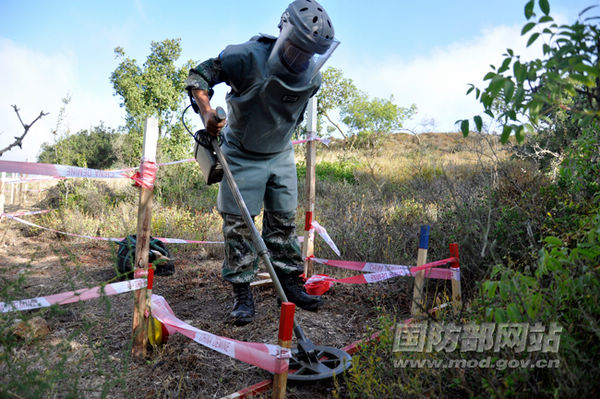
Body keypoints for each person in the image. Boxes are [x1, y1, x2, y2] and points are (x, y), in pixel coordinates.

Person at [185, 0, 339, 326]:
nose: (301, 58)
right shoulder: (247, 57)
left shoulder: (312, 77)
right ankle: (242, 293)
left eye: (309, 53)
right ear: (285, 34)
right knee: (240, 225)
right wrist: (208, 112)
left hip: (280, 153)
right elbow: (200, 76)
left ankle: (290, 284)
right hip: (241, 153)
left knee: (283, 222)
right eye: (297, 48)